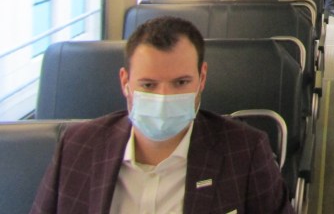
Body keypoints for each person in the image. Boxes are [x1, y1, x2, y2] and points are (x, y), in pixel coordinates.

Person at [30, 16, 293, 213]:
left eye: (180, 83)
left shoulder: (244, 152)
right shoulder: (78, 146)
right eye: (148, 85)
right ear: (125, 82)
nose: (163, 97)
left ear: (201, 79)